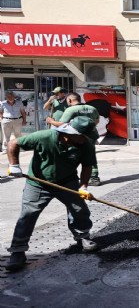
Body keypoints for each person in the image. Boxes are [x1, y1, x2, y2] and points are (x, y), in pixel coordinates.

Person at [4, 116, 100, 272]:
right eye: (84, 137)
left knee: (79, 209)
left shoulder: (86, 145)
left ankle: (83, 237)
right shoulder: (44, 137)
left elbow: (87, 166)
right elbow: (13, 143)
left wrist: (83, 187)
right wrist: (14, 165)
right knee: (27, 215)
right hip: (38, 183)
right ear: (70, 134)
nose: (87, 140)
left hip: (67, 181)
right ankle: (18, 251)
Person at [46, 92, 102, 186]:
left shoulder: (70, 110)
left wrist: (51, 121)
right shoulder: (92, 108)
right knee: (90, 155)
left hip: (75, 137)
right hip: (91, 135)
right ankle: (94, 177)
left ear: (70, 100)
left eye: (67, 100)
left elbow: (62, 124)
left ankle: (70, 178)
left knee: (73, 156)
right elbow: (97, 121)